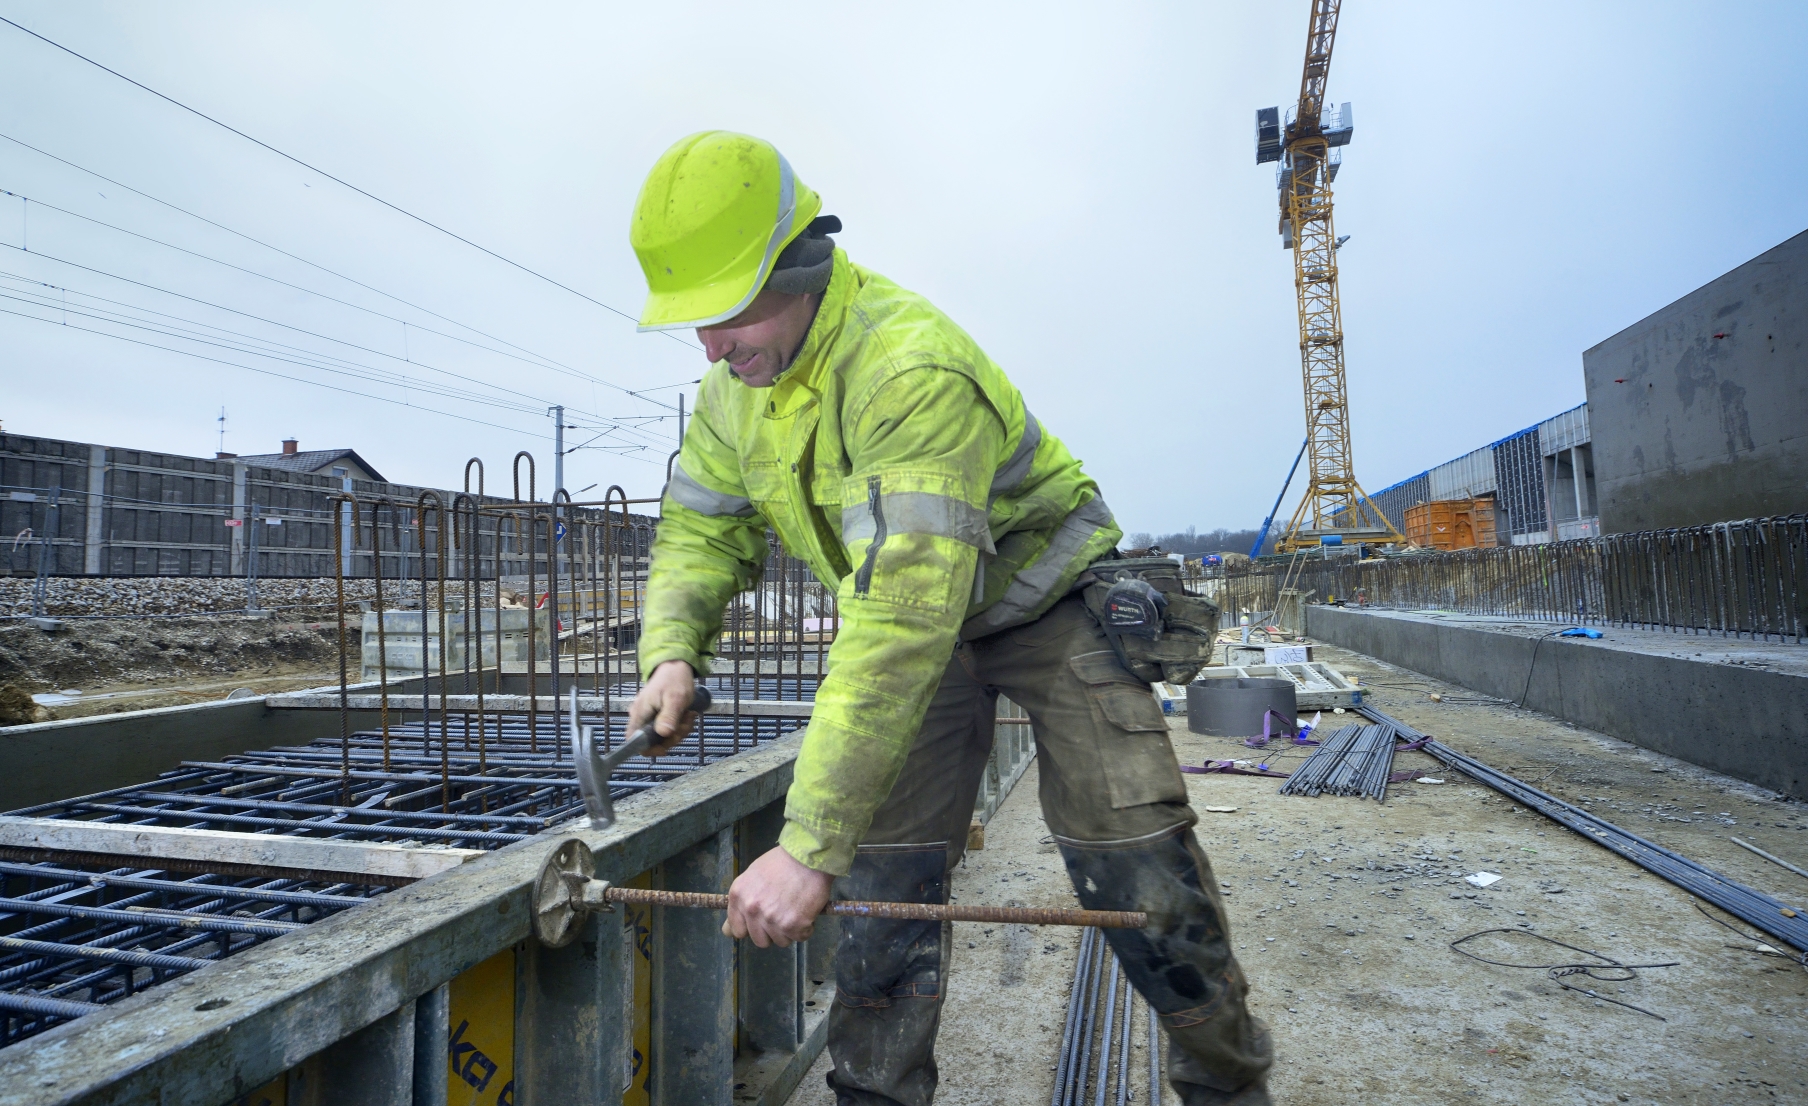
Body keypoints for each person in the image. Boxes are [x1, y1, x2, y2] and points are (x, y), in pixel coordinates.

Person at [625, 131, 1273, 1106]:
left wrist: (803, 846)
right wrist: (672, 652)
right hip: (914, 613)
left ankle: (1227, 1082)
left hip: (1036, 604)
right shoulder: (733, 394)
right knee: (881, 880)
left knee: (1131, 856)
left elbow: (896, 626)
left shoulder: (906, 367)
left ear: (797, 267)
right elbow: (699, 528)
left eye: (725, 316)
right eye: (695, 324)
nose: (710, 348)